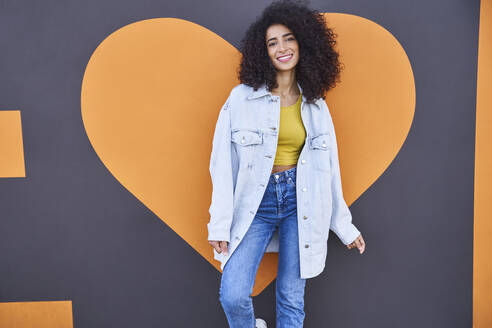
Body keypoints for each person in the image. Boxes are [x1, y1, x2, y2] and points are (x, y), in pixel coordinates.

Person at [207, 0, 366, 327]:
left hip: (301, 202)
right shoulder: (241, 99)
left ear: (303, 43)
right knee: (233, 295)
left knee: (291, 300)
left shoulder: (316, 105)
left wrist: (344, 226)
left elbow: (329, 172)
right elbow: (222, 166)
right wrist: (219, 224)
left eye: (289, 38)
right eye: (272, 42)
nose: (281, 47)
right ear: (261, 51)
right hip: (257, 203)